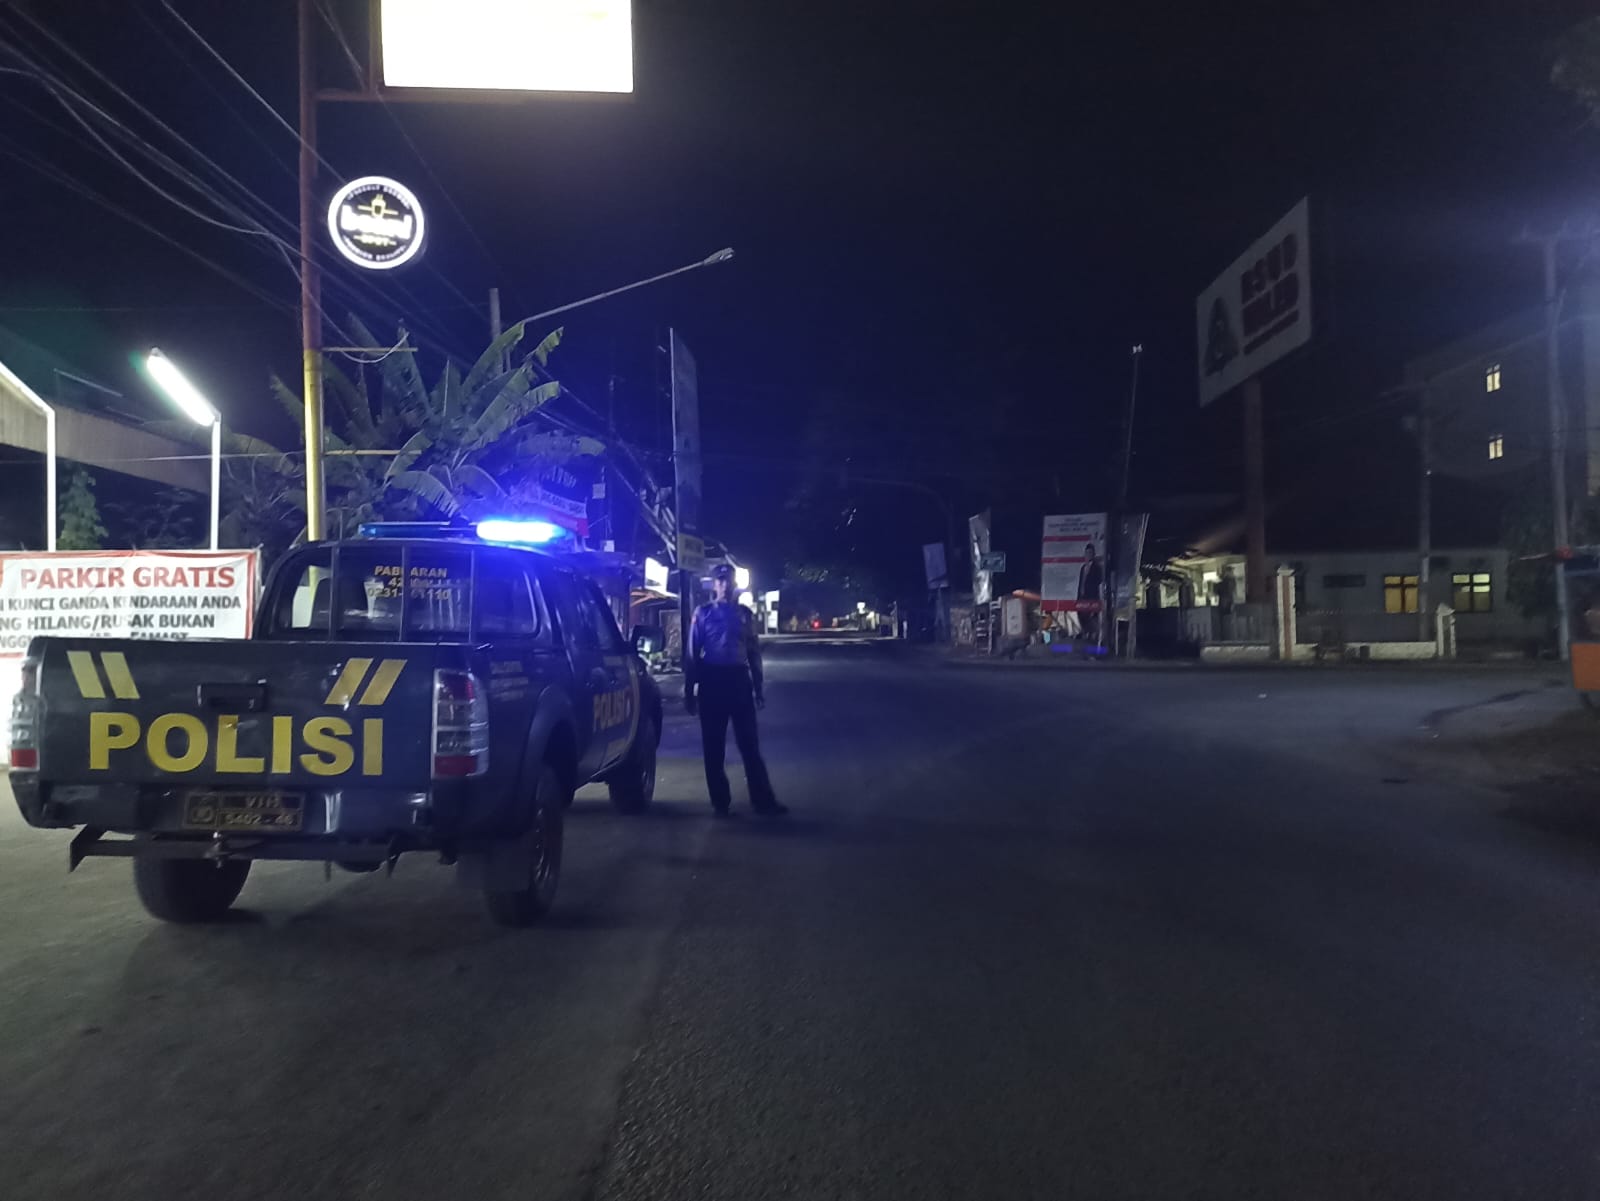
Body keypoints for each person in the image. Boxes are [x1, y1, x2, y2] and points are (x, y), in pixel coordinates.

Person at [686, 564, 786, 817]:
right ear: (714, 584)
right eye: (721, 581)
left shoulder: (745, 615)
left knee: (750, 744)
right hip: (712, 681)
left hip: (739, 681)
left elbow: (753, 652)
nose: (725, 585)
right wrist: (689, 691)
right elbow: (692, 654)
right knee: (713, 746)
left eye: (729, 580)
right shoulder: (703, 613)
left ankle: (763, 801)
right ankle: (720, 803)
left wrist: (758, 687)